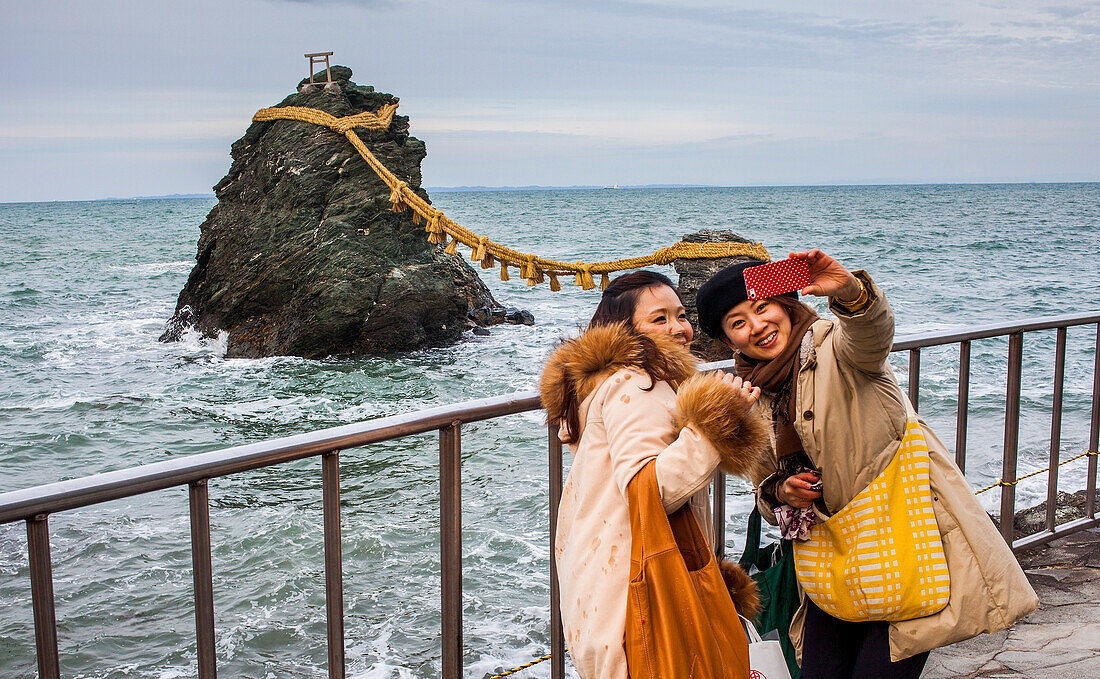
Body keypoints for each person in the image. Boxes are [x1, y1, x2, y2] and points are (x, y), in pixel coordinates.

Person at [695, 250, 1039, 679]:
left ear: (785, 303)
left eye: (762, 307)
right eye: (738, 322)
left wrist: (852, 294)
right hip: (831, 563)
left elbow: (872, 335)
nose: (758, 326)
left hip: (907, 541)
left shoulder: (835, 346)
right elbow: (765, 489)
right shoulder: (753, 396)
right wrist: (782, 492)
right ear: (729, 342)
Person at [539, 271, 768, 679]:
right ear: (626, 330)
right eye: (659, 319)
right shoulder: (637, 384)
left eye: (681, 315)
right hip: (639, 592)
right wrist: (723, 415)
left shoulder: (607, 383)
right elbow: (653, 489)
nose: (679, 328)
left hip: (603, 585)